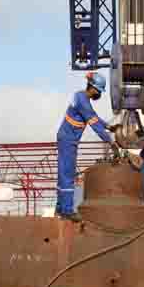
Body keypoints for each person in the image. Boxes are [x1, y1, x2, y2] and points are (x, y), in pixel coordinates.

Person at [56, 72, 120, 222]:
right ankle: (66, 211)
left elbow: (94, 117)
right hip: (68, 140)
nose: (99, 94)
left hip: (67, 138)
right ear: (92, 87)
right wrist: (112, 143)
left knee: (63, 173)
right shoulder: (83, 102)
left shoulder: (81, 96)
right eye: (99, 91)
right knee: (67, 174)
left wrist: (109, 127)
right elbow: (95, 125)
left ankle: (60, 207)